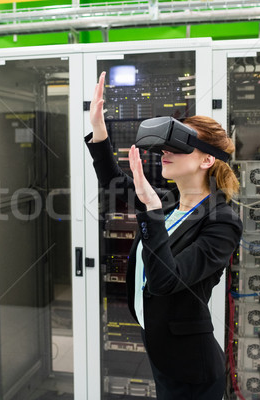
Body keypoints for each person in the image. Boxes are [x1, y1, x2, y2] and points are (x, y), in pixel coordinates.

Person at [85, 71, 243, 399]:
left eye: (178, 147)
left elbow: (166, 282)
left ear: (207, 159)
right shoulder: (169, 201)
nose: (164, 153)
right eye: (165, 147)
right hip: (161, 350)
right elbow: (113, 180)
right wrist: (99, 129)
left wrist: (151, 213)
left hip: (191, 368)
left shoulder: (222, 221)